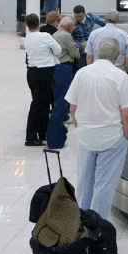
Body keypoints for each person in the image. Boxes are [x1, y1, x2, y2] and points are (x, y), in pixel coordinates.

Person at [66, 37, 128, 219]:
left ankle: (81, 224)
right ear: (117, 55)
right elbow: (126, 112)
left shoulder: (82, 73)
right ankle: (98, 228)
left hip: (86, 137)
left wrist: (80, 128)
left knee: (84, 183)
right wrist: (126, 136)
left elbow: (72, 108)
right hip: (111, 137)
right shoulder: (120, 76)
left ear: (96, 52)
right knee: (104, 186)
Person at [23, 12, 63, 147]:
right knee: (39, 105)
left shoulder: (27, 38)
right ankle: (31, 137)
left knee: (42, 103)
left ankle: (42, 132)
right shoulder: (45, 36)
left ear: (27, 25)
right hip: (45, 72)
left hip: (32, 72)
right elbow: (58, 50)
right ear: (39, 22)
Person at [46, 16, 82, 152]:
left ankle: (62, 116)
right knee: (64, 95)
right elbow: (75, 53)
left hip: (54, 67)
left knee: (57, 94)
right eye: (73, 26)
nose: (74, 28)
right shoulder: (66, 36)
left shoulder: (55, 34)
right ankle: (57, 121)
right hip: (64, 67)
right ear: (69, 26)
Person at [72, 4, 105, 70]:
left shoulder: (91, 16)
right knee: (82, 69)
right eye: (76, 16)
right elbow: (69, 37)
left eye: (80, 16)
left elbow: (105, 24)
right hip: (80, 51)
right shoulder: (72, 22)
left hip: (93, 49)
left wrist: (100, 36)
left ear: (84, 13)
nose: (79, 18)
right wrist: (80, 44)